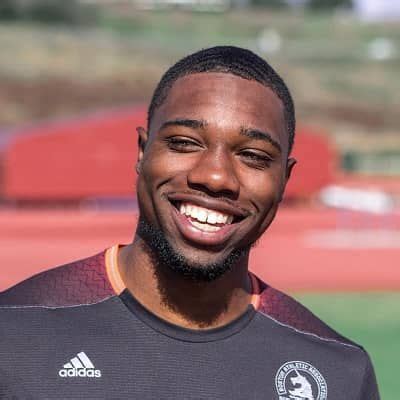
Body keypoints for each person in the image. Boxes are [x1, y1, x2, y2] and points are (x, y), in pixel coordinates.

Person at [0, 46, 379, 399]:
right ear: (142, 153)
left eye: (253, 156)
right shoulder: (13, 335)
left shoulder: (339, 371)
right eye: (184, 143)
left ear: (285, 180)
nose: (215, 177)